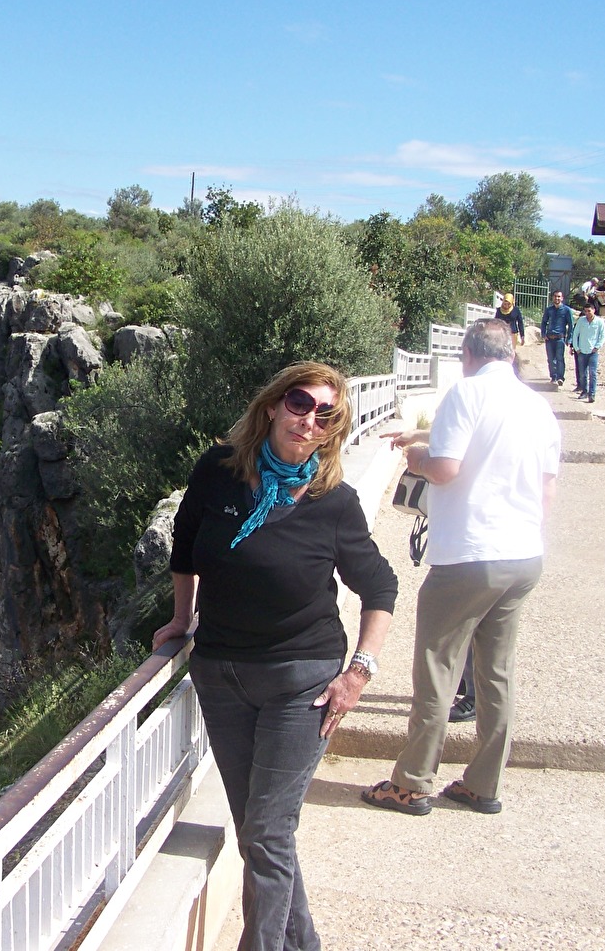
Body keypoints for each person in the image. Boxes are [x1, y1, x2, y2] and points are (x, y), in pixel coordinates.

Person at [155, 361, 398, 951]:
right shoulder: (217, 472)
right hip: (221, 676)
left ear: (333, 429)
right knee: (259, 832)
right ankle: (303, 942)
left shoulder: (332, 501)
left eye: (325, 414)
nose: (307, 419)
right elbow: (185, 548)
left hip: (302, 682)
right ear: (271, 406)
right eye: (298, 403)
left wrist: (358, 673)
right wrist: (182, 619)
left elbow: (380, 587)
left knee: (266, 830)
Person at [362, 319, 559, 817]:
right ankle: (483, 784)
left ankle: (411, 783)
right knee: (496, 674)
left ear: (467, 355)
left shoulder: (465, 393)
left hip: (469, 557)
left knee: (437, 668)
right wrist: (424, 434)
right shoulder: (537, 408)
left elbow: (446, 467)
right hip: (522, 555)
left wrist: (415, 455)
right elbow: (544, 488)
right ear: (510, 356)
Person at [569, 301, 605, 404]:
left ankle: (592, 393)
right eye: (585, 311)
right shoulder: (581, 321)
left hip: (593, 351)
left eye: (589, 311)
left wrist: (597, 346)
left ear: (593, 310)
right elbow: (575, 334)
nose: (587, 313)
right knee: (582, 373)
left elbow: (603, 336)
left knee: (593, 373)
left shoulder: (599, 322)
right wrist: (576, 348)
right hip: (582, 351)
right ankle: (584, 391)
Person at [540, 290, 573, 386]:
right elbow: (544, 322)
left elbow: (571, 325)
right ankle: (553, 376)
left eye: (559, 296)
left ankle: (560, 377)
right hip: (549, 338)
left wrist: (569, 339)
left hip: (560, 338)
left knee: (559, 358)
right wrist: (543, 333)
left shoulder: (567, 310)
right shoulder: (549, 310)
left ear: (562, 298)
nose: (557, 298)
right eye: (555, 296)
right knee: (550, 359)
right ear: (552, 298)